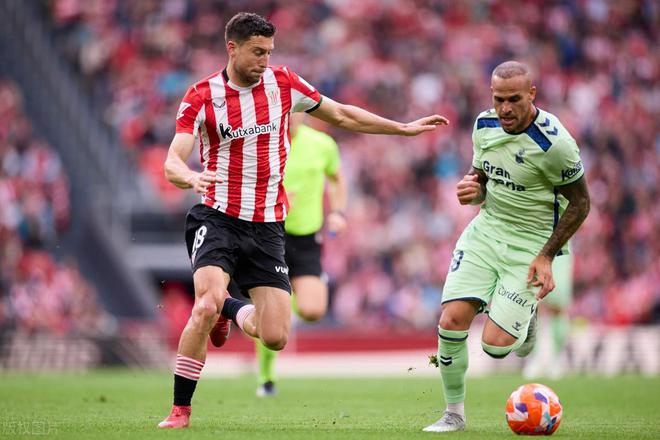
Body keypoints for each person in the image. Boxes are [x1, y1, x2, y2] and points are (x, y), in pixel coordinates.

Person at [158, 12, 448, 429]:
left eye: (269, 52)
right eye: (257, 52)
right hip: (217, 215)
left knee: (275, 336)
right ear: (232, 48)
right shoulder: (202, 96)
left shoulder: (284, 83)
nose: (265, 61)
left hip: (267, 226)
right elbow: (173, 160)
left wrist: (401, 129)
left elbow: (342, 114)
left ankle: (230, 308)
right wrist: (190, 177)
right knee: (204, 304)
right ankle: (180, 410)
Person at [423, 61, 590, 433]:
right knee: (451, 320)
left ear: (532, 94)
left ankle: (526, 319)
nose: (505, 108)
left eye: (514, 99)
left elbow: (581, 204)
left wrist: (546, 256)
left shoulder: (555, 144)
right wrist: (472, 190)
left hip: (531, 244)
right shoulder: (484, 125)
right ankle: (453, 414)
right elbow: (482, 178)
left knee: (496, 347)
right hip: (486, 232)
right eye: (498, 99)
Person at [254, 113, 347, 397]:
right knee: (272, 321)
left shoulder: (322, 144)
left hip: (307, 236)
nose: (291, 114)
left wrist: (338, 213)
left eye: (296, 108)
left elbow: (336, 179)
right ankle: (266, 377)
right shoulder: (262, 142)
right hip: (270, 233)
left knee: (313, 310)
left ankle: (280, 306)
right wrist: (276, 198)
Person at [522, 248, 573, 379]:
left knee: (558, 306)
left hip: (559, 248)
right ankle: (534, 357)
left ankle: (556, 358)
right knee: (532, 302)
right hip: (533, 244)